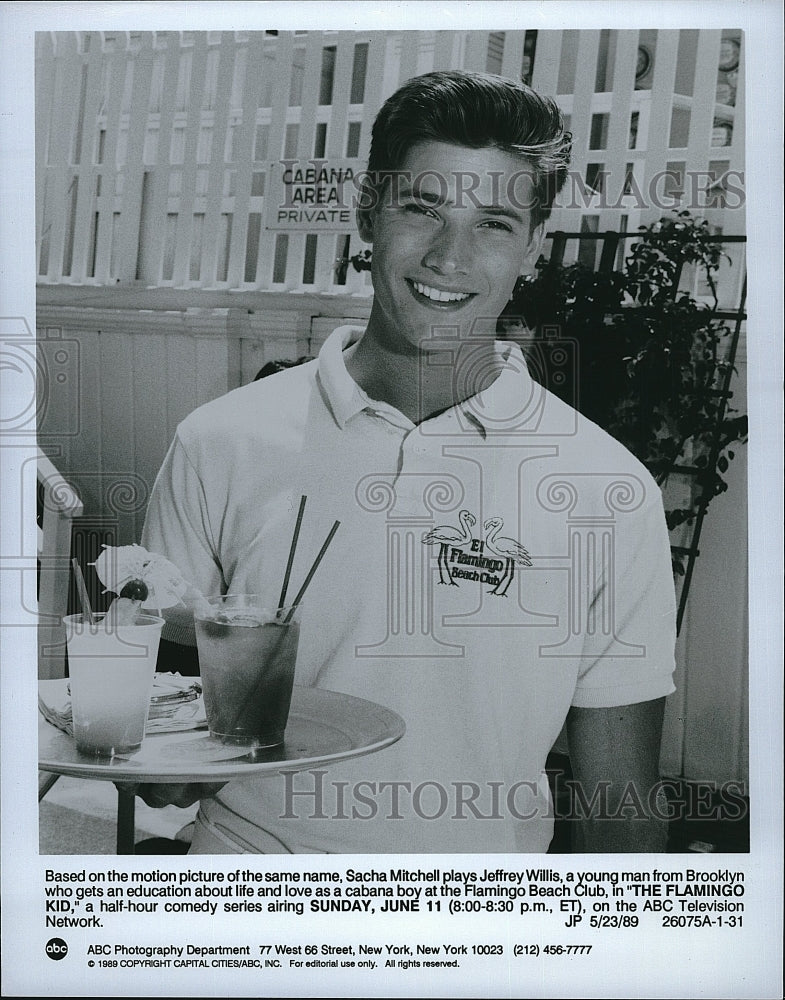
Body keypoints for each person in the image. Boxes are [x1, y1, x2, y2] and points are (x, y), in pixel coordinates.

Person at [139, 70, 676, 853]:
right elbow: (164, 737)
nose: (449, 257)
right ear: (367, 212)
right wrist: (158, 752)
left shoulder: (607, 488)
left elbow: (620, 802)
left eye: (492, 223)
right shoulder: (219, 442)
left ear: (533, 245)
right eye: (422, 208)